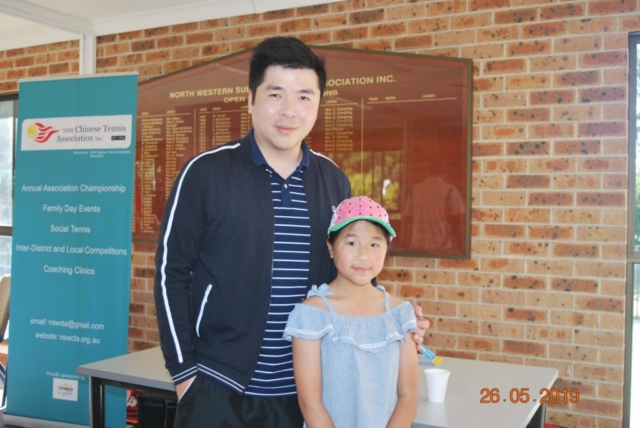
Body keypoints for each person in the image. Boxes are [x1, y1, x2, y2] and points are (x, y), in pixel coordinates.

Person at [154, 36, 428, 427]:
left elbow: (349, 271)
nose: (289, 111)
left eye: (304, 97)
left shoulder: (333, 181)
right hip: (217, 387)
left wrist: (391, 319)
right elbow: (171, 273)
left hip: (306, 397)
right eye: (275, 94)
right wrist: (184, 375)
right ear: (250, 99)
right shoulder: (205, 173)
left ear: (318, 105)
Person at [284, 196, 418, 428]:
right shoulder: (311, 314)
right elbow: (310, 403)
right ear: (330, 247)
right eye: (352, 242)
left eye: (374, 244)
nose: (363, 255)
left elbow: (408, 394)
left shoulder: (400, 313)